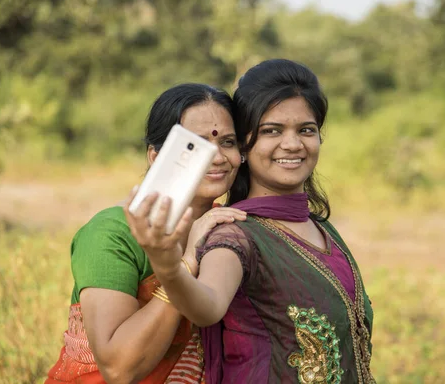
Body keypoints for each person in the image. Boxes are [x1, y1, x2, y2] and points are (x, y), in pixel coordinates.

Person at [125, 59, 375, 383]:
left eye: (306, 130)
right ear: (244, 145)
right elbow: (208, 305)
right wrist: (170, 267)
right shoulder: (235, 236)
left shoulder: (323, 229)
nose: (292, 144)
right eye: (272, 130)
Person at [45, 83, 247, 384]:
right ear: (156, 156)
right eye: (196, 145)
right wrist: (185, 265)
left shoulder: (230, 226)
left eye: (228, 142)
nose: (217, 158)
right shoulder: (112, 232)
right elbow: (119, 368)